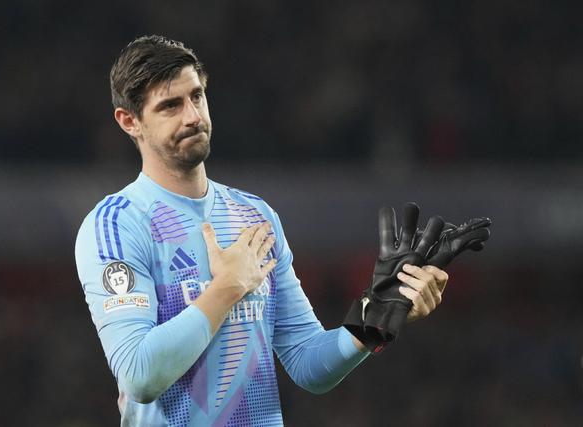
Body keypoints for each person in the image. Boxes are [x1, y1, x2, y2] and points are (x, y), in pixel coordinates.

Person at [74, 35, 449, 426]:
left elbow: (307, 362)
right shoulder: (116, 225)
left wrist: (372, 323)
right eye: (170, 106)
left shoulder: (254, 216)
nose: (193, 116)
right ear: (129, 121)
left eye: (197, 96)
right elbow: (139, 376)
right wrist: (227, 288)